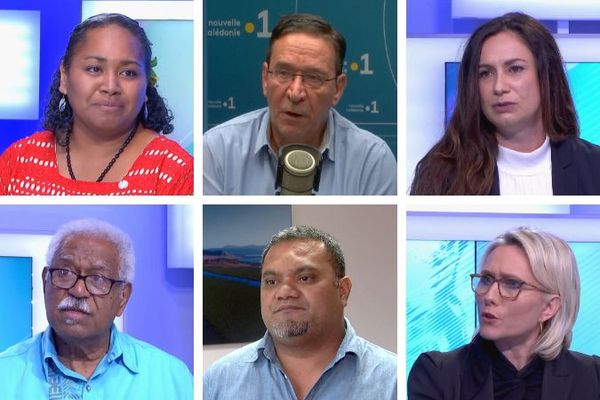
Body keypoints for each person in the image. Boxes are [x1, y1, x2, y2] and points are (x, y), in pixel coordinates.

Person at [203, 13, 396, 195]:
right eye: (283, 73)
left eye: (313, 77)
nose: (295, 93)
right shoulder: (217, 149)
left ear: (337, 88)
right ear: (265, 79)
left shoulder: (372, 161)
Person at [0, 13, 193, 195]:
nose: (110, 87)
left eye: (128, 73)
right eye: (94, 69)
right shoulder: (18, 161)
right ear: (65, 77)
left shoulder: (177, 173)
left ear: (147, 83)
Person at [0, 219, 193, 398]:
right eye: (64, 272)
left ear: (122, 297)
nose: (77, 289)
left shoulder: (172, 378)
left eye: (97, 278)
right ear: (45, 282)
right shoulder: (6, 374)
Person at [410, 12, 600, 195]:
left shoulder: (593, 166)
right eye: (485, 73)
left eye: (515, 69)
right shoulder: (441, 172)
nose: (499, 87)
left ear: (546, 76)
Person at [203, 225, 397, 399]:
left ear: (342, 290)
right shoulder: (219, 381)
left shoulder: (393, 381)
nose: (285, 292)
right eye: (271, 282)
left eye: (304, 278)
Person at [408, 227, 600, 399]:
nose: (489, 296)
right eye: (486, 279)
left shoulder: (593, 379)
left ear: (549, 307)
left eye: (512, 284)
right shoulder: (437, 374)